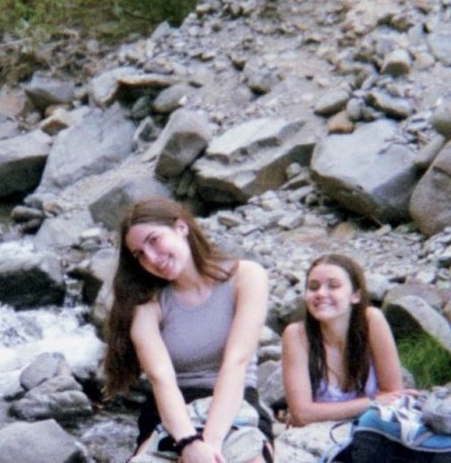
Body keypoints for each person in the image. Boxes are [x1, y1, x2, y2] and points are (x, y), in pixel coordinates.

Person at [103, 197, 272, 463]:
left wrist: (210, 444)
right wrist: (188, 443)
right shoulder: (146, 305)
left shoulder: (246, 276)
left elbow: (236, 363)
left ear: (181, 227)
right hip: (171, 409)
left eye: (154, 240)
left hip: (234, 399)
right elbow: (161, 379)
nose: (151, 258)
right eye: (139, 254)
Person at [281, 254, 410, 427]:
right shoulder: (296, 335)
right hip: (318, 437)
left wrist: (320, 411)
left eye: (333, 286)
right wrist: (373, 402)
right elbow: (302, 414)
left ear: (355, 295)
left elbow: (394, 395)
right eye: (313, 287)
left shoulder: (371, 320)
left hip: (371, 430)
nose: (320, 293)